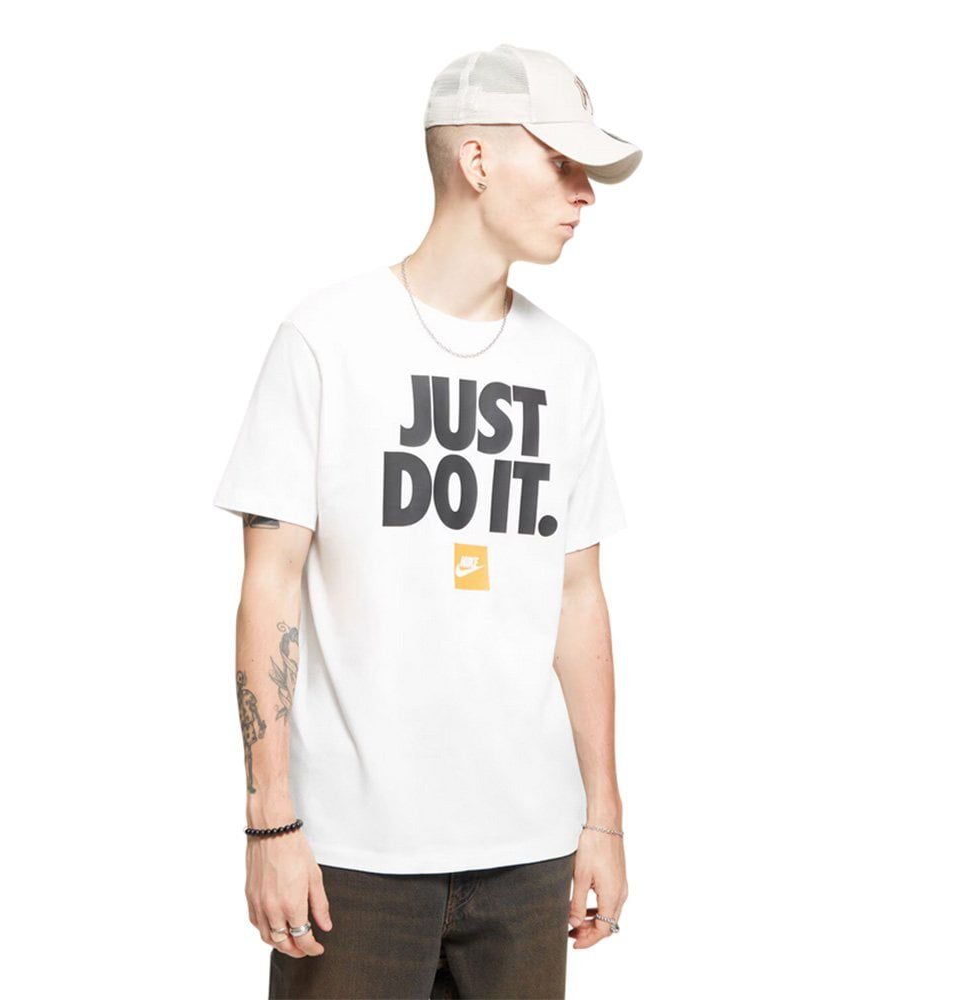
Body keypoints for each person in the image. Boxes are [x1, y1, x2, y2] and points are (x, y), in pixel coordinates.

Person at [213, 42, 642, 1000]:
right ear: (477, 160)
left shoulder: (566, 366)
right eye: (560, 163)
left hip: (530, 854)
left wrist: (603, 817)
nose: (584, 194)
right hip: (354, 858)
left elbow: (578, 595)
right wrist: (270, 821)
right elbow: (269, 588)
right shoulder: (326, 339)